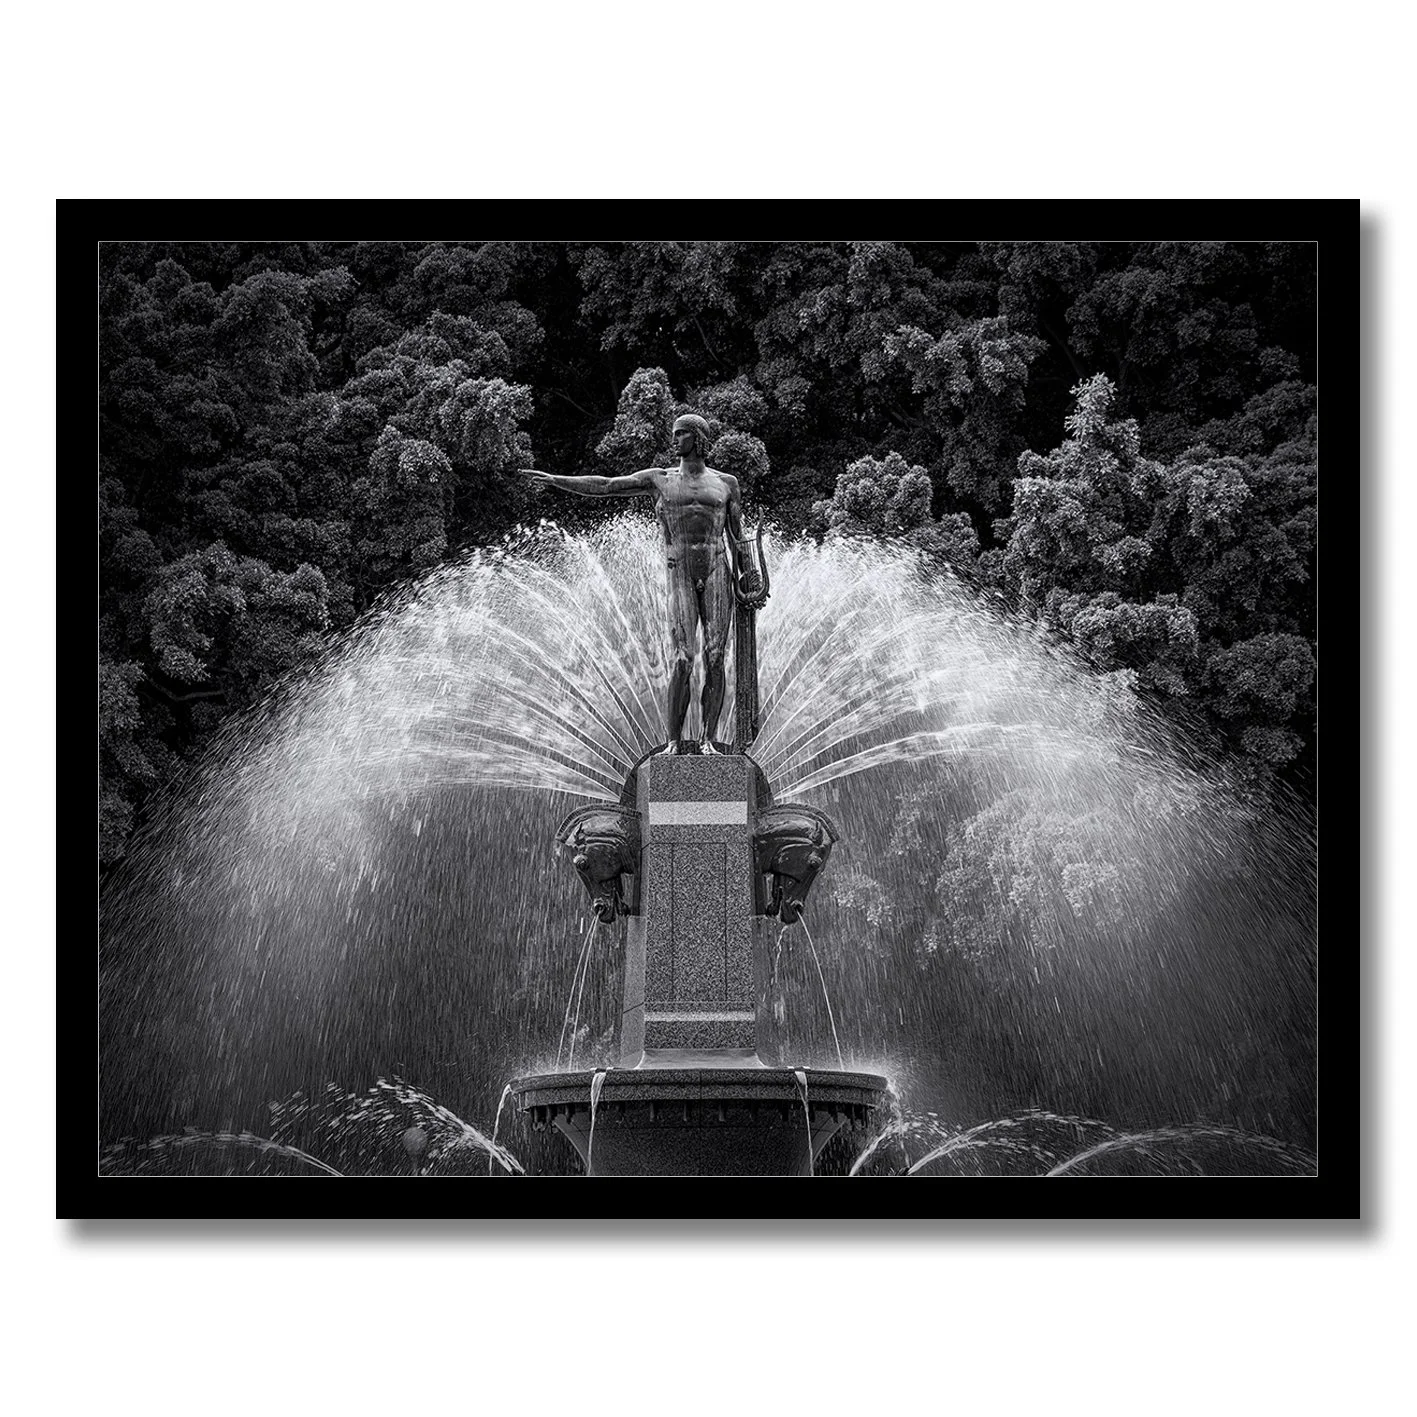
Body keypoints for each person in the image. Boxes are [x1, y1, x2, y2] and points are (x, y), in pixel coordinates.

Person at [522, 413, 762, 754]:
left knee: (715, 655)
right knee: (683, 657)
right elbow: (606, 485)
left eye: (681, 435)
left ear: (697, 438)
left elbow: (738, 539)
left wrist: (750, 577)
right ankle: (674, 742)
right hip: (679, 569)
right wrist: (555, 479)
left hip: (717, 570)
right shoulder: (659, 480)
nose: (675, 441)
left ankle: (709, 741)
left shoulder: (726, 483)